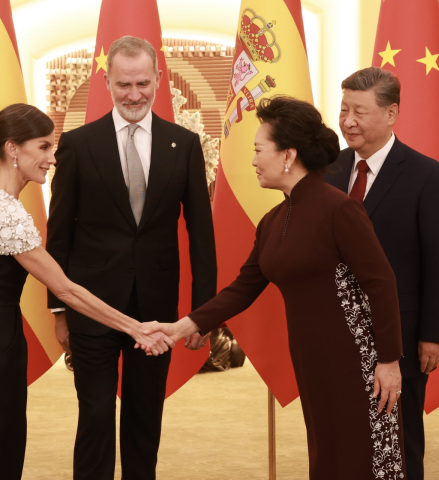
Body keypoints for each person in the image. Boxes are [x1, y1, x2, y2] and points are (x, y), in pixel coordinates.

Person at [144, 95, 406, 479]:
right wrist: (184, 326)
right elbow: (243, 288)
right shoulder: (274, 219)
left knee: (361, 461)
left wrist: (388, 362)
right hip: (312, 358)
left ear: (288, 155)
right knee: (328, 459)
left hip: (357, 361)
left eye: (257, 150)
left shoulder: (340, 210)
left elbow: (381, 284)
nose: (252, 160)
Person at [0, 103, 173, 480]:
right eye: (44, 147)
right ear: (14, 148)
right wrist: (135, 327)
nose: (53, 158)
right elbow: (66, 289)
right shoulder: (4, 211)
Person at [46, 36, 217, 480]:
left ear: (159, 80)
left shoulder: (185, 144)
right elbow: (59, 233)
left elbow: (201, 235)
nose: (134, 93)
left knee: (145, 418)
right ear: (107, 82)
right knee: (96, 415)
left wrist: (202, 314)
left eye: (143, 82)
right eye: (124, 84)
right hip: (91, 307)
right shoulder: (78, 144)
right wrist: (59, 309)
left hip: (156, 310)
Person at [324, 67, 439, 480]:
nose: (348, 121)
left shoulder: (426, 175)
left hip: (399, 333)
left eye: (359, 112)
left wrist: (434, 334)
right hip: (336, 331)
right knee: (343, 437)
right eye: (343, 109)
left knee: (398, 440)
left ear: (391, 113)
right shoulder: (328, 169)